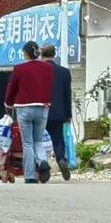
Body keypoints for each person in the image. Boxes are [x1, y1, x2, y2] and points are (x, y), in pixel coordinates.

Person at [4, 40, 53, 184]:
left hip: (24, 108)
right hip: (43, 107)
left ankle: (30, 175)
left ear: (25, 53)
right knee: (38, 140)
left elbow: (12, 88)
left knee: (27, 143)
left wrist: (8, 103)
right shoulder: (47, 68)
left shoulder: (19, 68)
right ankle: (43, 161)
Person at [41, 43, 73, 182]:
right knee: (58, 138)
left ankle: (43, 166)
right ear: (55, 54)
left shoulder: (38, 70)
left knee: (39, 140)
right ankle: (61, 159)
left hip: (40, 111)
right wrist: (68, 114)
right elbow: (68, 95)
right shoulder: (64, 72)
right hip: (58, 112)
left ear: (41, 54)